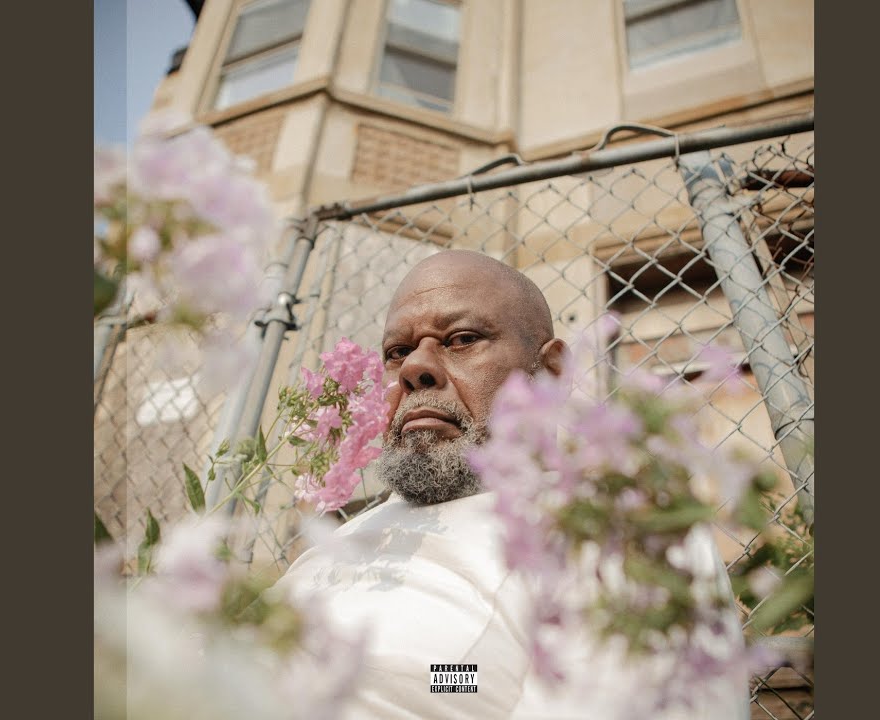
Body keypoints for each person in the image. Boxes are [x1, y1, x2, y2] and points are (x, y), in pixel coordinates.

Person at [272, 250, 747, 719]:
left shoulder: (617, 526)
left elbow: (458, 680)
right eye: (397, 352)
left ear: (552, 371)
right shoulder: (333, 544)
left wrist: (436, 678)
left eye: (461, 339)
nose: (415, 367)